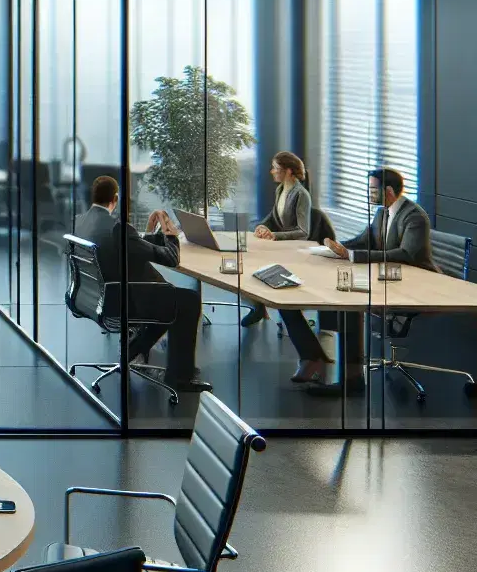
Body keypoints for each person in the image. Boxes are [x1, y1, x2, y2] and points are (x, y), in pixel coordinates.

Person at [303, 167, 437, 397]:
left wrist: (355, 256)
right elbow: (365, 239)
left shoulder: (413, 216)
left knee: (352, 304)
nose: (368, 194)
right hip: (389, 278)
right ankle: (351, 377)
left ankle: (352, 380)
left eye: (372, 189)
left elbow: (406, 254)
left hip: (416, 284)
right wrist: (337, 249)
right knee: (347, 298)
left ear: (388, 191)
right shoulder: (381, 212)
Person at [72, 176, 211, 393]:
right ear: (115, 199)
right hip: (123, 299)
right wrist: (171, 236)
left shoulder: (79, 221)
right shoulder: (118, 228)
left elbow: (128, 247)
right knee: (187, 300)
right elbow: (171, 259)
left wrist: (148, 232)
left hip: (93, 298)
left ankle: (132, 350)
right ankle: (180, 378)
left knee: (167, 297)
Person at [240, 150, 314, 329]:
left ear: (288, 171)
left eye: (275, 168)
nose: (272, 172)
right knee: (244, 264)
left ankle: (261, 309)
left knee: (251, 264)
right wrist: (263, 226)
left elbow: (303, 231)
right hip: (280, 246)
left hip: (293, 250)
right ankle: (257, 307)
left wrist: (275, 236)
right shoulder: (281, 189)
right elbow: (274, 217)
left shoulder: (301, 194)